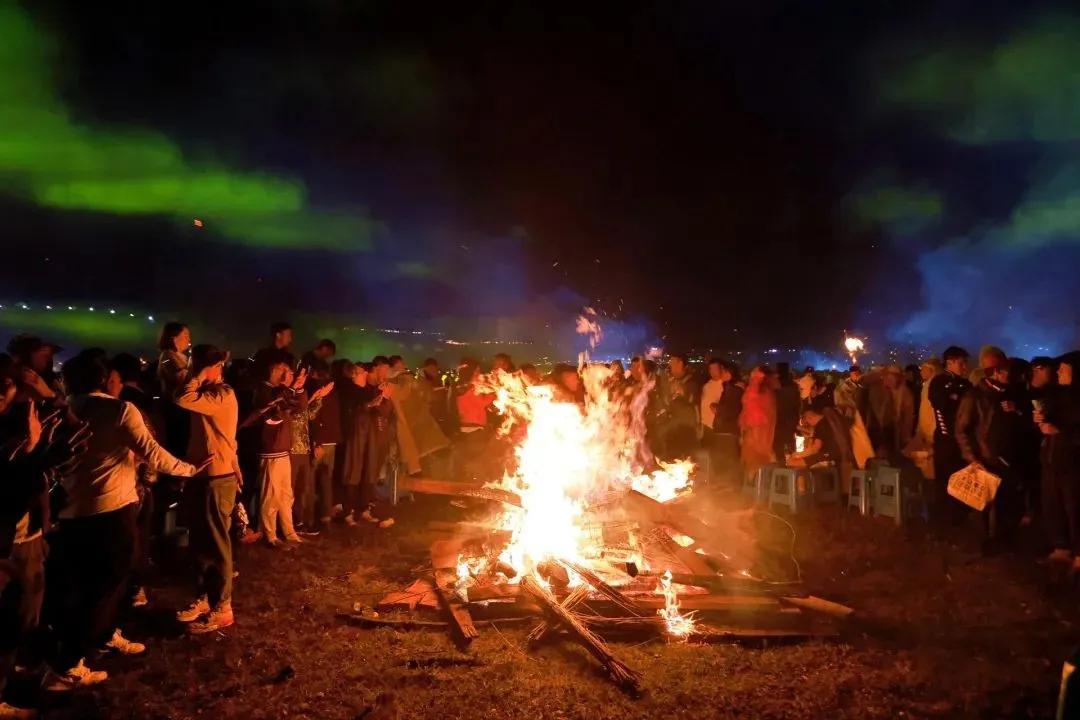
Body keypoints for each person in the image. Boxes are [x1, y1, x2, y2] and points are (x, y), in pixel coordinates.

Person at [45, 355, 201, 691]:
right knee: (104, 586)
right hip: (112, 512)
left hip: (71, 514)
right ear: (104, 380)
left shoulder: (61, 410)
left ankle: (103, 636)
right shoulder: (118, 411)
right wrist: (190, 469)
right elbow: (152, 452)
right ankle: (67, 666)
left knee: (90, 585)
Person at [172, 346, 243, 633]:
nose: (192, 372)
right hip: (204, 476)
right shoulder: (208, 394)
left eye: (198, 367)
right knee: (200, 544)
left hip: (217, 478)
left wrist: (201, 373)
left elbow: (181, 397)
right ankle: (206, 597)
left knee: (216, 545)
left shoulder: (222, 394)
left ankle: (223, 607)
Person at [956, 360, 1026, 550]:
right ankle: (983, 544)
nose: (1009, 377)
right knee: (983, 505)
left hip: (1006, 458)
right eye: (1006, 373)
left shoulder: (1008, 394)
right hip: (984, 459)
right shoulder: (975, 396)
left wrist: (1016, 411)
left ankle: (1002, 541)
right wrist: (973, 458)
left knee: (1005, 503)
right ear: (995, 372)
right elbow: (961, 430)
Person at [245, 355, 305, 547]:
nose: (288, 375)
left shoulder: (280, 391)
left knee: (286, 493)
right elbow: (269, 412)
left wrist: (298, 388)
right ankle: (269, 535)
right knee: (271, 495)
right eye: (285, 371)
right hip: (270, 450)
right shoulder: (263, 391)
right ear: (274, 371)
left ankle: (290, 532)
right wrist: (291, 388)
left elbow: (299, 406)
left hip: (283, 449)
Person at [339, 362, 396, 528]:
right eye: (362, 372)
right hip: (355, 436)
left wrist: (383, 399)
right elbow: (352, 411)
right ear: (356, 374)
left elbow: (381, 411)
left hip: (369, 436)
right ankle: (348, 512)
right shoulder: (348, 392)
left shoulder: (369, 391)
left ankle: (364, 509)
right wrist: (370, 404)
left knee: (368, 472)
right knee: (353, 472)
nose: (365, 374)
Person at [1037, 351, 1080, 571]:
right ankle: (1060, 548)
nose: (1059, 372)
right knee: (1054, 506)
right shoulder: (1058, 396)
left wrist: (1059, 431)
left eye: (1064, 368)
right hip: (1052, 461)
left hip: (1073, 464)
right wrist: (1041, 422)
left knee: (1075, 509)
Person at [928, 345, 972, 528]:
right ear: (950, 362)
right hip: (946, 440)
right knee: (946, 480)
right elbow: (941, 407)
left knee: (962, 480)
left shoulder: (966, 384)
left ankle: (960, 517)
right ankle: (944, 520)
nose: (964, 367)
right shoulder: (939, 381)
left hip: (963, 441)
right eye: (961, 363)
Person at [289, 370, 333, 535]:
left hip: (304, 450)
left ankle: (299, 523)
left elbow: (309, 415)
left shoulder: (301, 395)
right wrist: (313, 397)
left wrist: (318, 398)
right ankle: (289, 524)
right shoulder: (286, 397)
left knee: (302, 489)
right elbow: (295, 415)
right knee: (291, 490)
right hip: (291, 450)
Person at [788, 406, 855, 495]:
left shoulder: (821, 425)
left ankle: (801, 493)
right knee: (799, 463)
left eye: (807, 422)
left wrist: (798, 455)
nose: (808, 425)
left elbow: (816, 448)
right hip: (832, 455)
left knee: (793, 462)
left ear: (809, 417)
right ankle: (803, 492)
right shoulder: (827, 421)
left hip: (827, 456)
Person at [307, 361, 342, 527]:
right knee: (326, 480)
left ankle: (309, 518)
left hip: (319, 442)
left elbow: (314, 418)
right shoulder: (334, 391)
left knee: (311, 481)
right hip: (332, 441)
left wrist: (316, 442)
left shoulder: (317, 390)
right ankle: (325, 517)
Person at [866, 365, 915, 462]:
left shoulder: (904, 392)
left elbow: (908, 416)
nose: (891, 378)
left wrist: (906, 437)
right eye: (888, 375)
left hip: (895, 434)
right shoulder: (876, 390)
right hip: (876, 432)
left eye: (895, 376)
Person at [709, 361, 744, 487]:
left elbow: (733, 410)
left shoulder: (736, 389)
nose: (721, 374)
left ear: (729, 373)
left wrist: (717, 409)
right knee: (722, 460)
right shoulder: (728, 387)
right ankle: (724, 486)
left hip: (729, 430)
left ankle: (732, 488)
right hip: (723, 429)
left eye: (723, 371)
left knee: (730, 460)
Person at [658, 354, 698, 459]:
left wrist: (682, 391)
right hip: (671, 426)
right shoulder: (670, 380)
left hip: (685, 427)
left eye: (672, 362)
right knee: (671, 457)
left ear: (680, 364)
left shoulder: (691, 381)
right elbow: (666, 400)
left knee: (685, 459)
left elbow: (692, 399)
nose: (670, 365)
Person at [739, 365, 776, 478]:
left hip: (755, 432)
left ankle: (756, 488)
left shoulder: (755, 389)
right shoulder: (766, 391)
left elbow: (751, 411)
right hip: (761, 431)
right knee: (761, 459)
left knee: (754, 462)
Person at [773, 363, 801, 461]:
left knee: (778, 445)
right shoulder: (794, 386)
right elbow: (798, 404)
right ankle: (793, 462)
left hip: (778, 419)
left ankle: (781, 465)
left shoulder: (775, 385)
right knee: (790, 442)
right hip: (791, 418)